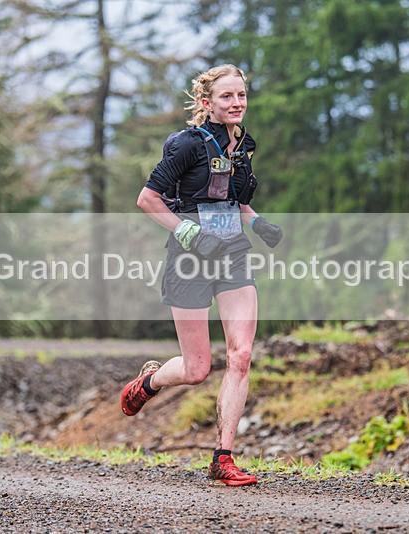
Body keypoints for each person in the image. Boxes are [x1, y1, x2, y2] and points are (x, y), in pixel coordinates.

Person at [120, 64, 284, 486]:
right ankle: (150, 381)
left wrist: (257, 222)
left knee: (241, 355)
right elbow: (148, 199)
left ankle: (223, 457)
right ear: (207, 102)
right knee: (197, 370)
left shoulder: (244, 145)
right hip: (189, 260)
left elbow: (234, 202)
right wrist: (190, 232)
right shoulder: (189, 146)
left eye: (241, 96)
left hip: (232, 256)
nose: (236, 104)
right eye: (227, 97)